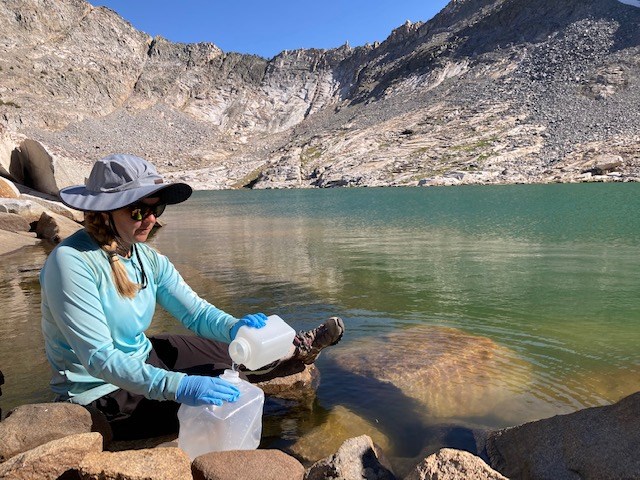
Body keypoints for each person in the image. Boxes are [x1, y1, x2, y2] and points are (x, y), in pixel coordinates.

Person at [40, 153, 345, 440]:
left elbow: (196, 313)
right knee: (222, 404)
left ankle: (293, 350)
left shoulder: (145, 256)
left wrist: (235, 328)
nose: (150, 220)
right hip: (102, 392)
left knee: (235, 356)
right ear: (104, 212)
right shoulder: (71, 262)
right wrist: (179, 385)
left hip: (143, 354)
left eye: (156, 209)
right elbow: (99, 359)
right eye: (138, 211)